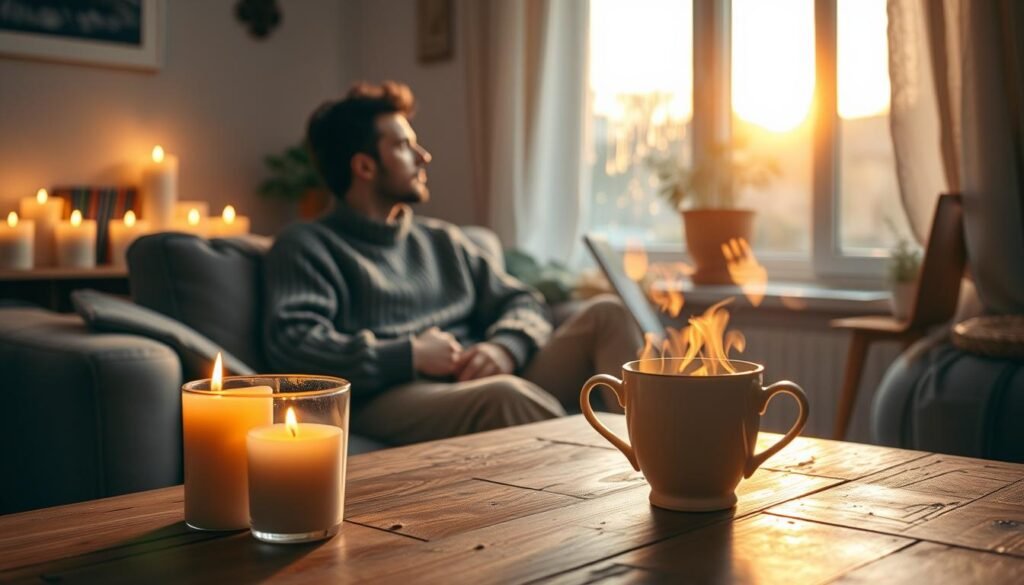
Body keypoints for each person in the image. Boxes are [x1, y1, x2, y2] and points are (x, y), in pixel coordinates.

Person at [263, 81, 641, 445]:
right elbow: (294, 344)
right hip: (390, 393)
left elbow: (524, 301)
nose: (423, 156)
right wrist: (410, 354)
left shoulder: (443, 240)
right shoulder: (306, 245)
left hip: (477, 376)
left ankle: (657, 456)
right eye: (404, 146)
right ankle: (616, 465)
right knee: (503, 396)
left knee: (608, 314)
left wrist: (505, 346)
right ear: (364, 166)